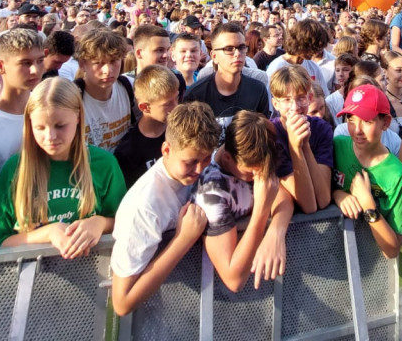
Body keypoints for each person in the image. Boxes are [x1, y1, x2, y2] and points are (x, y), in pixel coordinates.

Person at [0, 78, 125, 254]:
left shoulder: (104, 164)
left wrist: (100, 223)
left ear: (78, 117)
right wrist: (47, 233)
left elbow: (125, 222)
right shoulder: (15, 169)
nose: (50, 136)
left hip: (92, 272)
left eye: (60, 126)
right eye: (40, 128)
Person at [111, 102, 221, 316]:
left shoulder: (204, 167)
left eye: (206, 158)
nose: (199, 169)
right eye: (190, 162)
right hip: (155, 315)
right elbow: (122, 303)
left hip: (198, 307)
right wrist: (183, 239)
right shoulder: (144, 207)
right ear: (166, 150)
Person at [193, 110, 293, 291]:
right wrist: (261, 213)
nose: (259, 177)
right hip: (224, 300)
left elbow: (283, 196)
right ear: (227, 157)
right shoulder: (211, 192)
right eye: (250, 173)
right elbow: (233, 279)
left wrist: (275, 234)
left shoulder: (257, 152)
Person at [333, 83, 402, 259]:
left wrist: (368, 204)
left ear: (386, 123)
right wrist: (338, 194)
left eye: (367, 121)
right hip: (333, 256)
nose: (357, 130)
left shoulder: (397, 175)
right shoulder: (337, 145)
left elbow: (392, 250)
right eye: (351, 120)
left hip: (373, 267)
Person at [0, 29, 45, 171]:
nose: (35, 70)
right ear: (0, 67)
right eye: (25, 63)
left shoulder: (47, 109)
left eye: (40, 61)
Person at [268, 65, 333, 214]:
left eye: (301, 98)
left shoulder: (321, 128)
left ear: (309, 98)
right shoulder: (271, 135)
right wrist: (295, 147)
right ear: (276, 104)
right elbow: (309, 205)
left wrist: (305, 146)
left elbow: (323, 200)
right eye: (286, 100)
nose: (295, 107)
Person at [185, 23, 270, 135]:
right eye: (229, 49)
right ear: (214, 56)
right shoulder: (195, 95)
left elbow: (263, 134)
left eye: (242, 47)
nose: (237, 54)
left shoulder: (258, 90)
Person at [113, 65, 180, 187]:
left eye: (177, 98)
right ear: (145, 107)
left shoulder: (182, 130)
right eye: (168, 104)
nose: (176, 107)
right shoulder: (128, 152)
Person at [74, 29, 135, 151]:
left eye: (113, 61)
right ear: (82, 64)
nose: (108, 70)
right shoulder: (72, 99)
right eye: (99, 63)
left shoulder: (129, 87)